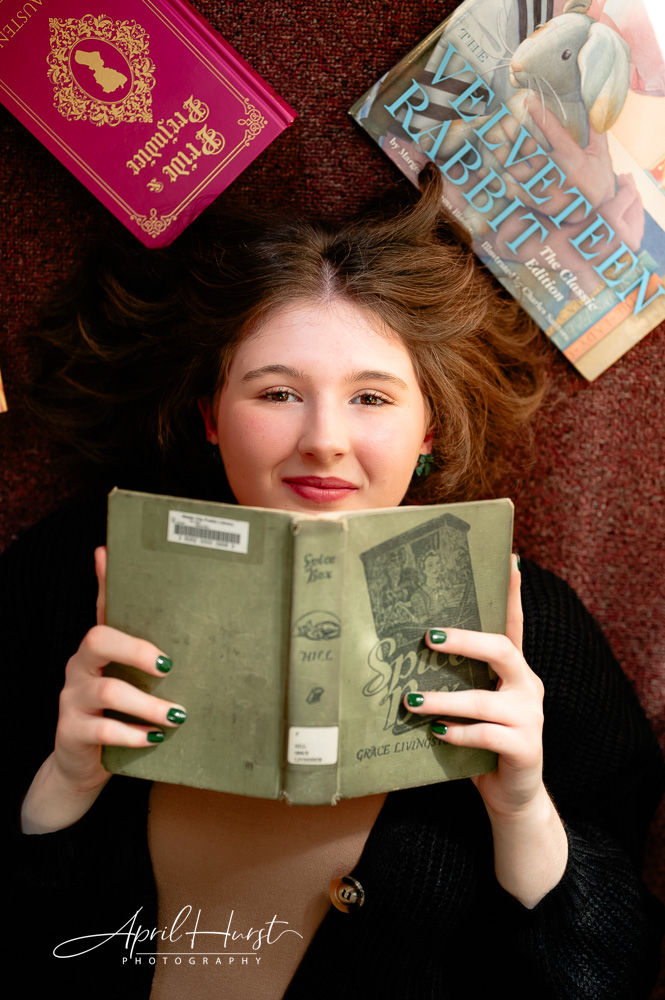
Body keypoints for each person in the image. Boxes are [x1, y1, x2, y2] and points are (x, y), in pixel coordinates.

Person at [7, 167, 664, 999]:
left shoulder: (530, 624)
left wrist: (522, 808)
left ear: (428, 425)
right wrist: (63, 785)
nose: (323, 440)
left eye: (370, 397)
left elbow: (613, 977)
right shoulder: (76, 569)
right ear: (212, 414)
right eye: (277, 392)